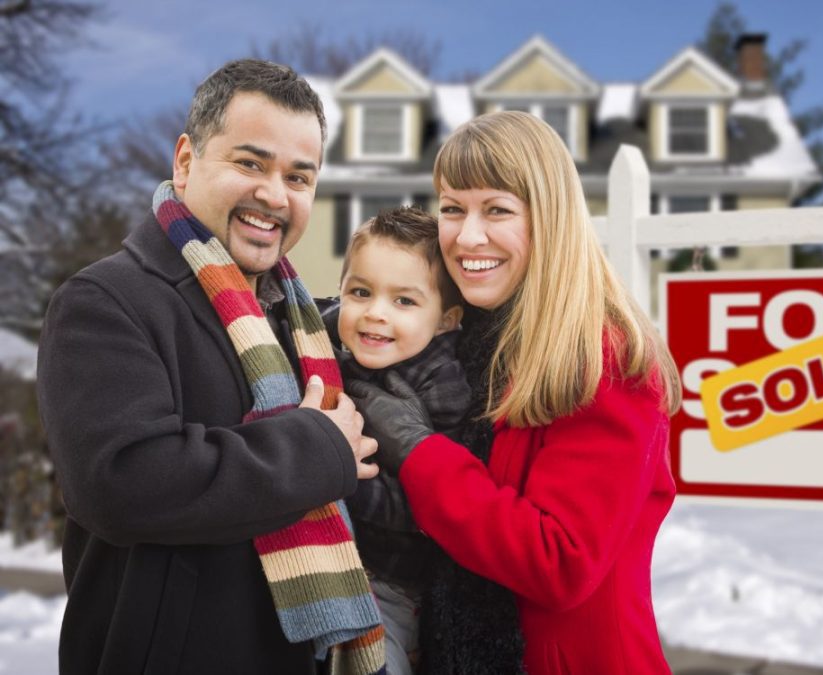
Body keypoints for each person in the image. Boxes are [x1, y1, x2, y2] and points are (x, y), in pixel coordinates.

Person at [37, 59, 387, 675]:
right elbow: (119, 482)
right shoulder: (105, 301)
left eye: (299, 177)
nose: (274, 196)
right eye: (250, 164)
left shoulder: (302, 321)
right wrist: (316, 450)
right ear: (185, 160)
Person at [351, 110, 684, 674]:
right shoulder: (471, 334)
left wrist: (415, 448)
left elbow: (559, 562)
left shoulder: (605, 360)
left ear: (549, 219)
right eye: (453, 208)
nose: (467, 235)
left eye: (497, 209)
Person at [322, 206, 467, 674]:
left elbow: (426, 507)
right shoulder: (322, 345)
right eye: (360, 292)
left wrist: (339, 477)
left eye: (404, 301)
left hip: (392, 580)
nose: (375, 314)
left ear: (446, 320)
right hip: (329, 559)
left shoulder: (442, 383)